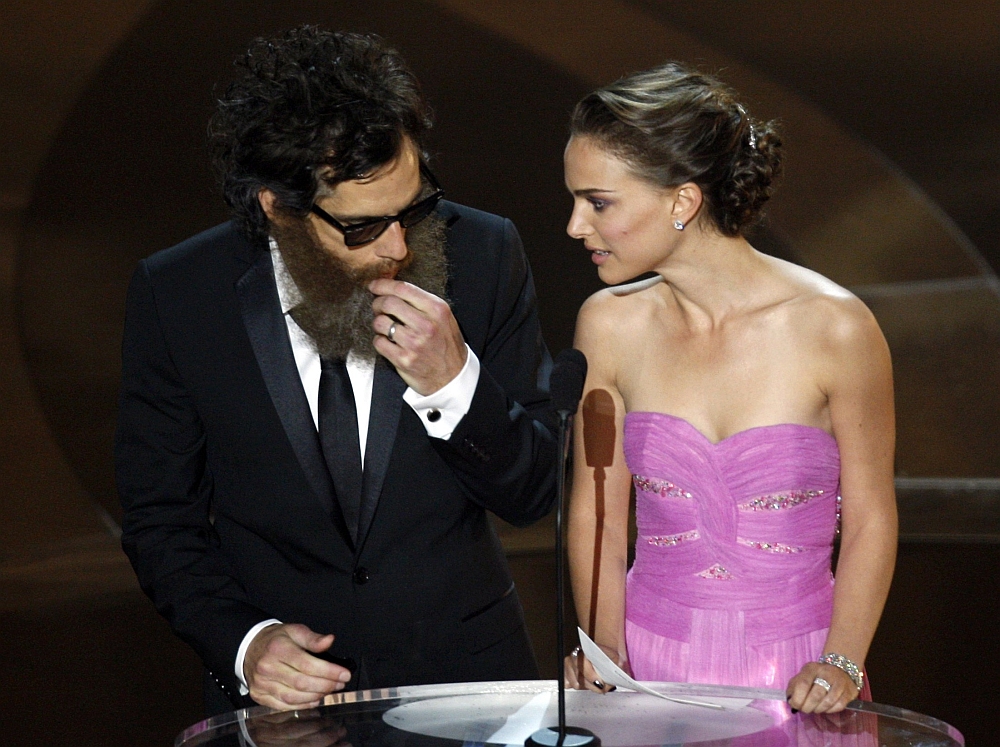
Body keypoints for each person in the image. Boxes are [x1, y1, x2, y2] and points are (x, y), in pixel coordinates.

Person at [115, 26, 557, 716]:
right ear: (275, 206)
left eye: (415, 208)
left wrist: (454, 382)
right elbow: (159, 518)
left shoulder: (486, 254)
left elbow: (532, 493)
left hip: (468, 685)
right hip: (284, 709)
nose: (399, 245)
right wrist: (245, 642)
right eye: (362, 227)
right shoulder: (178, 293)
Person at [561, 62, 897, 718]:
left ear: (682, 201)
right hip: (645, 669)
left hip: (799, 677)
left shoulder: (837, 328)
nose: (575, 225)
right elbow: (596, 512)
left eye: (597, 201)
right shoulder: (606, 324)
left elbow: (871, 517)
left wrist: (842, 659)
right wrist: (606, 651)